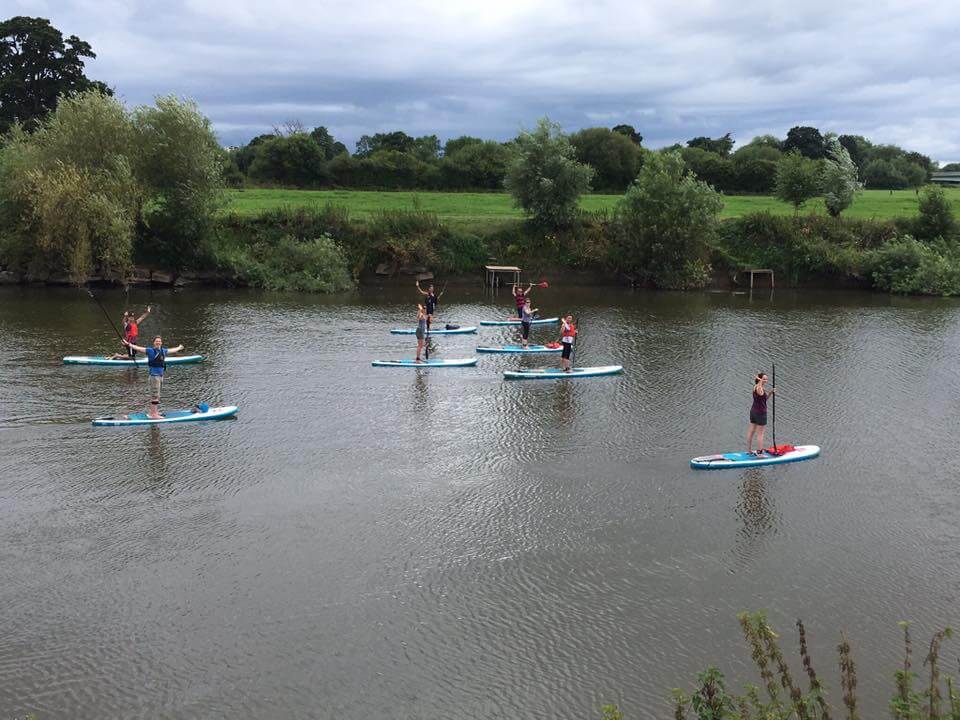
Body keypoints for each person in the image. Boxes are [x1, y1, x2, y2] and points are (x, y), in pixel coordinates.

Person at [124, 335, 184, 419]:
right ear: (154, 343)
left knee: (157, 395)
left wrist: (179, 347)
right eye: (156, 341)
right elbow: (138, 348)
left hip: (160, 376)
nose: (158, 342)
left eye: (159, 341)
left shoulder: (163, 351)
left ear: (161, 343)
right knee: (155, 395)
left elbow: (172, 350)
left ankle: (153, 412)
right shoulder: (150, 351)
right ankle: (154, 415)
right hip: (154, 376)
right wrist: (129, 344)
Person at [747, 372, 775, 455]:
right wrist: (760, 380)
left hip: (753, 412)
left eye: (766, 379)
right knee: (760, 434)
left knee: (751, 431)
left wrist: (771, 392)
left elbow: (764, 399)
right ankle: (759, 452)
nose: (766, 380)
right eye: (764, 379)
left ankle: (749, 450)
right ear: (759, 379)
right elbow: (760, 391)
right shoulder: (758, 388)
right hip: (760, 413)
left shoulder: (757, 387)